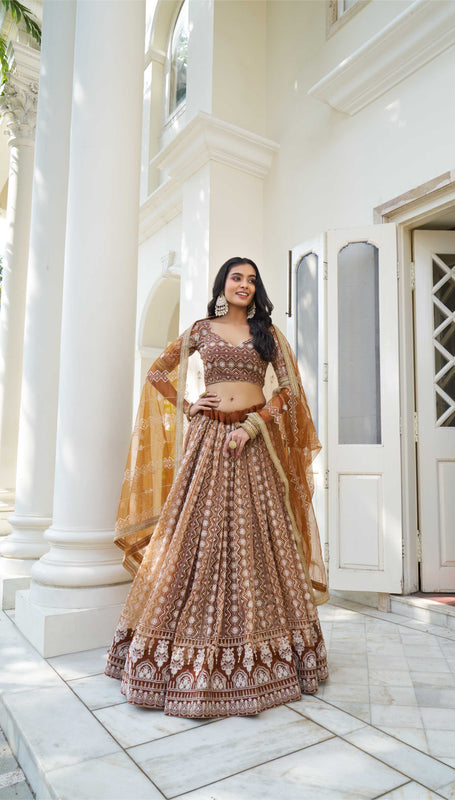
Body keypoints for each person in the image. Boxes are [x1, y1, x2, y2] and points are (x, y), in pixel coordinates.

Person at [104, 256, 329, 718]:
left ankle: (270, 658)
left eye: (251, 279)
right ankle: (177, 657)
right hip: (208, 438)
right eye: (236, 278)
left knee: (258, 541)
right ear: (222, 285)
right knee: (191, 537)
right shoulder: (201, 329)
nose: (244, 285)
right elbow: (157, 373)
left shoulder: (267, 335)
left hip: (251, 440)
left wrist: (253, 424)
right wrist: (189, 407)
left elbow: (288, 392)